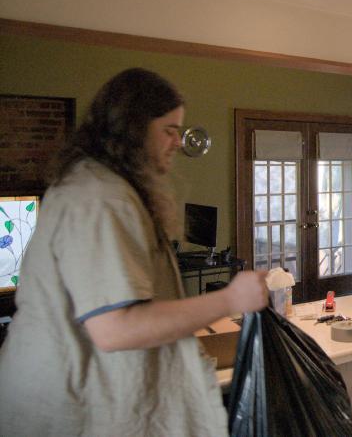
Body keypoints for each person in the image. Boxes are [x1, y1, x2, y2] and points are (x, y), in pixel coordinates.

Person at [0, 68, 269, 436]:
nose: (178, 142)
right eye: (169, 130)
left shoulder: (101, 187)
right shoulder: (100, 199)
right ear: (133, 130)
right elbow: (116, 329)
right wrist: (230, 299)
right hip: (70, 414)